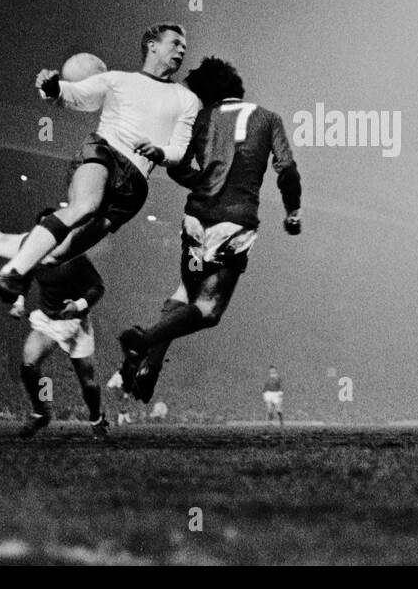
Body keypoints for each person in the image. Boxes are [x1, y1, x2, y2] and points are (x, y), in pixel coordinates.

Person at [0, 24, 200, 303]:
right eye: (175, 43)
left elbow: (178, 149)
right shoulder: (117, 80)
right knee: (84, 207)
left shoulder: (187, 100)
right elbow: (71, 94)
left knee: (54, 255)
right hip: (105, 152)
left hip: (135, 184)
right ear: (152, 45)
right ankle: (12, 273)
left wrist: (160, 153)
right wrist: (52, 87)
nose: (182, 50)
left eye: (184, 46)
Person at [116, 57, 302, 400]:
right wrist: (292, 212)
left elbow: (177, 165)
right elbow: (286, 171)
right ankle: (142, 339)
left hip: (195, 220)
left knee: (184, 295)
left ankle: (149, 368)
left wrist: (203, 181)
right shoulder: (268, 119)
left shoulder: (201, 119)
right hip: (234, 225)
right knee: (208, 310)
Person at [13, 209, 109, 440]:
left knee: (88, 383)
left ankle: (96, 418)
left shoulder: (75, 256)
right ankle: (41, 411)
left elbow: (98, 286)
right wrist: (19, 300)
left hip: (75, 323)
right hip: (48, 320)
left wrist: (78, 305)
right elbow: (23, 276)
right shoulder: (33, 252)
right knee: (29, 365)